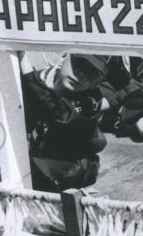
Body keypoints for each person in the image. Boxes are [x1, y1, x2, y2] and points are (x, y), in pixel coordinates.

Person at [18, 53, 109, 192]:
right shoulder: (36, 78)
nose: (81, 76)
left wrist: (24, 62)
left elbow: (58, 114)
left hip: (65, 170)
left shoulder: (90, 101)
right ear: (63, 58)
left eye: (91, 74)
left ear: (97, 82)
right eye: (79, 65)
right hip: (33, 157)